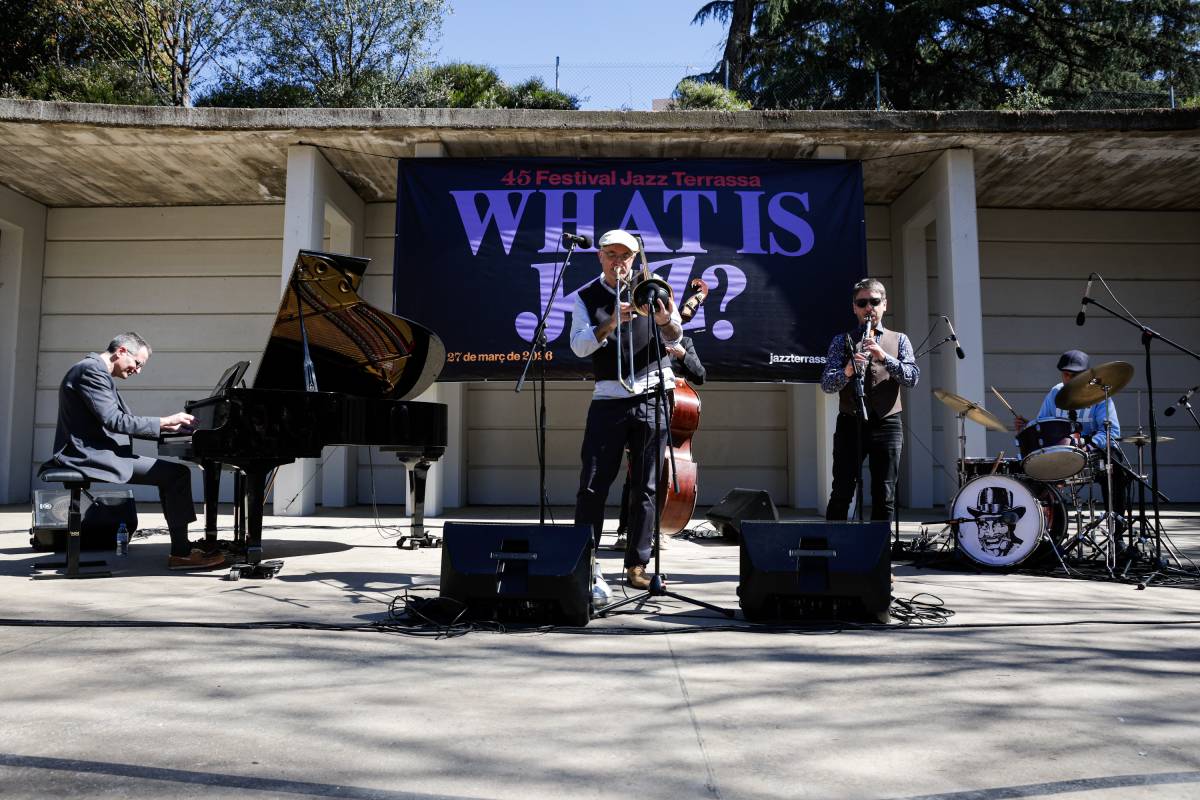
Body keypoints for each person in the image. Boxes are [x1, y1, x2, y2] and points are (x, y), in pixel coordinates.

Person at [45, 332, 224, 570]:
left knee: (172, 475)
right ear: (121, 351)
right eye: (138, 363)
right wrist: (164, 421)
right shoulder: (91, 371)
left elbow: (121, 422)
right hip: (85, 455)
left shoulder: (94, 371)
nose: (137, 371)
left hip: (95, 451)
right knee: (176, 475)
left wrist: (167, 428)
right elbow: (115, 421)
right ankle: (181, 553)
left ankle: (182, 548)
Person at [570, 229, 683, 590]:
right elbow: (579, 347)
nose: (618, 262)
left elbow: (676, 336)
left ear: (634, 258)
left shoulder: (653, 286)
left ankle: (637, 565)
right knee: (592, 484)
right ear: (600, 256)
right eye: (612, 255)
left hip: (651, 395)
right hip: (608, 399)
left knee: (645, 486)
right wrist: (611, 322)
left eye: (625, 256)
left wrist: (664, 320)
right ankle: (584, 563)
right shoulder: (586, 296)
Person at [820, 278, 920, 521]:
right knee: (842, 490)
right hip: (850, 422)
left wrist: (884, 357)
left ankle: (879, 544)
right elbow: (827, 384)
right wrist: (847, 370)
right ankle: (835, 542)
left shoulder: (899, 339)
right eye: (862, 303)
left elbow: (912, 378)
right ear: (854, 307)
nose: (869, 308)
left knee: (884, 493)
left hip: (887, 423)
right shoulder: (841, 341)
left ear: (884, 304)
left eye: (874, 302)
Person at [1014, 349, 1128, 531]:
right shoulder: (1055, 393)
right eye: (1065, 374)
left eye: (1074, 375)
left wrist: (1088, 445)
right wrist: (1028, 426)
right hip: (1062, 452)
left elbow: (1111, 431)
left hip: (1092, 452)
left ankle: (1118, 533)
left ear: (1086, 375)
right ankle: (1051, 531)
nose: (1068, 378)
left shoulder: (1100, 394)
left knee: (1115, 467)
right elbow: (1043, 424)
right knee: (1032, 467)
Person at [613, 335, 706, 544]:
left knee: (661, 480)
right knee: (635, 476)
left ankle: (657, 528)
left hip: (672, 427)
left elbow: (700, 375)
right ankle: (626, 529)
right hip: (644, 413)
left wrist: (682, 354)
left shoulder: (685, 342)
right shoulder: (643, 338)